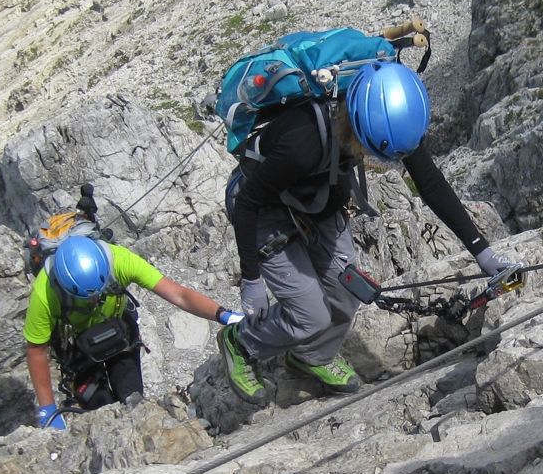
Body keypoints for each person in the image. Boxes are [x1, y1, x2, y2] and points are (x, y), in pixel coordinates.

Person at [219, 60, 517, 405]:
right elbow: (248, 204)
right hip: (263, 208)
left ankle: (311, 357)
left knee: (346, 292)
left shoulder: (392, 118)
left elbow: (431, 183)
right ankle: (241, 341)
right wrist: (252, 281)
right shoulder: (303, 143)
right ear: (357, 128)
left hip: (320, 198)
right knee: (309, 314)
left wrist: (481, 251)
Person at [25, 235, 241, 429]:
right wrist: (48, 409)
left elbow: (179, 295)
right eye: (85, 298)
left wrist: (223, 315)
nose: (92, 301)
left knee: (133, 402)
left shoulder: (120, 261)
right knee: (100, 413)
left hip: (120, 336)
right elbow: (36, 349)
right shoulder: (44, 294)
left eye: (96, 295)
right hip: (78, 350)